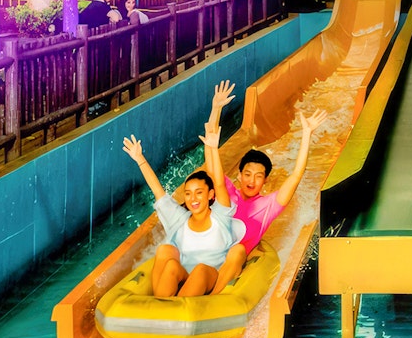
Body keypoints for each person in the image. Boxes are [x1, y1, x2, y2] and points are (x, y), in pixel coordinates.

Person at [203, 80, 329, 294]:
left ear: (266, 181)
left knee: (237, 251)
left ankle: (211, 300)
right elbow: (210, 149)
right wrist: (215, 110)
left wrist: (307, 134)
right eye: (248, 174)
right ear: (239, 175)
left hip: (234, 259)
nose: (252, 181)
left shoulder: (268, 205)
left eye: (258, 176)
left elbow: (296, 175)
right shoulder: (227, 192)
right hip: (210, 252)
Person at [122, 128, 244, 297]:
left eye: (199, 192)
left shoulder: (220, 216)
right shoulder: (180, 219)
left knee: (202, 269)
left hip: (211, 278)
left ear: (210, 195)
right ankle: (160, 305)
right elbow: (158, 191)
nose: (193, 198)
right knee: (166, 252)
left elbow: (219, 183)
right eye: (188, 193)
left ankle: (190, 307)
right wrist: (140, 159)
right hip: (185, 279)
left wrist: (213, 150)